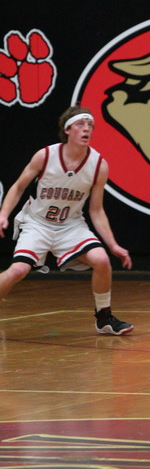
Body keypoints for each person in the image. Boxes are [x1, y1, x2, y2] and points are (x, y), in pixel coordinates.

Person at [0, 106, 133, 335]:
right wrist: (3, 214)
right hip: (37, 223)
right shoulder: (46, 156)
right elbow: (19, 186)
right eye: (81, 124)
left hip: (71, 226)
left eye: (90, 126)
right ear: (68, 129)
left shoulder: (98, 165)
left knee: (101, 260)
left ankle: (104, 319)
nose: (87, 129)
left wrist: (113, 245)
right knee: (17, 270)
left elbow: (96, 210)